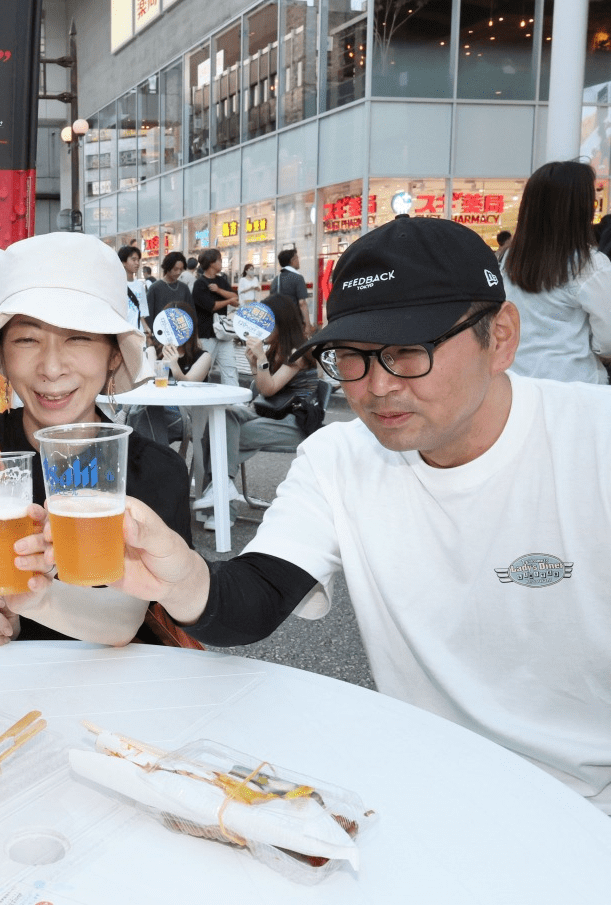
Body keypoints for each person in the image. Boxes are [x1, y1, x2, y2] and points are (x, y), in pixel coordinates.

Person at [37, 216, 611, 814]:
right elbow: (258, 597)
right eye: (352, 357)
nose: (377, 387)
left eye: (407, 353)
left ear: (502, 337)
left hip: (589, 804)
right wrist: (180, 578)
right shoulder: (339, 456)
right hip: (425, 782)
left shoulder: (595, 441)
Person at [0, 231, 194, 647]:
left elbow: (124, 620)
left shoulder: (154, 471)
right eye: (27, 339)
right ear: (1, 352)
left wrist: (31, 598)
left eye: (79, 337)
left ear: (114, 354)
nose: (52, 368)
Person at [194, 293, 317, 532]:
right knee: (223, 418)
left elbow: (268, 388)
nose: (260, 329)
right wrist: (255, 364)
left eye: (266, 323)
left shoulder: (297, 352)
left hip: (295, 422)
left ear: (281, 322)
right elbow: (263, 390)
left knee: (221, 437)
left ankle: (223, 509)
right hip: (269, 413)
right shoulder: (276, 348)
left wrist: (260, 359)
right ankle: (222, 492)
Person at [500, 160, 611, 385]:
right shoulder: (590, 265)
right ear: (580, 209)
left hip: (517, 381)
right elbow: (608, 339)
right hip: (573, 384)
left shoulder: (511, 257)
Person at [191, 248, 240, 385]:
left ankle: (234, 397)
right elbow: (211, 306)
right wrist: (229, 301)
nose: (221, 262)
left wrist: (219, 290)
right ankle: (201, 397)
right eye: (219, 260)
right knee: (204, 371)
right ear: (212, 263)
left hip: (224, 334)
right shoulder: (199, 284)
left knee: (230, 369)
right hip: (206, 334)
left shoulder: (221, 281)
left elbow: (235, 297)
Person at [146, 251, 192, 327]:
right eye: (175, 269)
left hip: (181, 330)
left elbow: (190, 311)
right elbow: (149, 314)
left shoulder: (184, 288)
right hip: (160, 330)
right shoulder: (155, 288)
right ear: (167, 267)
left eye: (181, 269)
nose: (178, 272)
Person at [270, 248, 311, 327]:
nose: (299, 261)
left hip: (279, 322)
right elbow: (302, 303)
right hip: (294, 322)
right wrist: (308, 325)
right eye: (297, 258)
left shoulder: (276, 279)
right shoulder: (298, 278)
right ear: (292, 260)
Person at [118, 244, 148, 330]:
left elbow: (142, 311)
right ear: (123, 262)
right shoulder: (117, 285)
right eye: (133, 260)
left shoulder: (140, 285)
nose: (137, 263)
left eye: (138, 260)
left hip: (138, 331)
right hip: (123, 331)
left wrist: (145, 327)